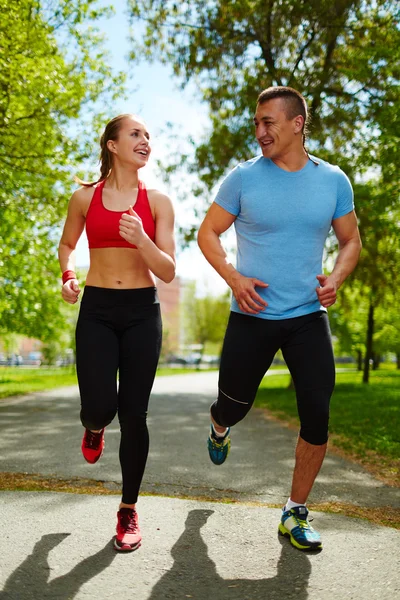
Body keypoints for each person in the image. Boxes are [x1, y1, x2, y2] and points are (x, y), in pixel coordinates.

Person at [197, 86, 362, 551]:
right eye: (256, 122)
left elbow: (350, 240)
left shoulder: (333, 181)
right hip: (252, 312)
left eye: (268, 122)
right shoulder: (244, 178)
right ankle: (219, 425)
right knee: (234, 405)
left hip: (308, 314)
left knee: (317, 412)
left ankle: (295, 512)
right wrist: (234, 277)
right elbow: (207, 232)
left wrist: (337, 278)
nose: (259, 131)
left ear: (297, 124)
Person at [58, 114, 175, 552]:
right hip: (98, 311)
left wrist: (143, 240)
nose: (146, 140)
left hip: (143, 312)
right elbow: (67, 244)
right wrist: (68, 275)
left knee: (135, 415)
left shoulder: (159, 201)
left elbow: (167, 269)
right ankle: (93, 426)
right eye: (136, 134)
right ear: (112, 145)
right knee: (98, 408)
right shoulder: (84, 198)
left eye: (148, 134)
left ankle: (128, 510)